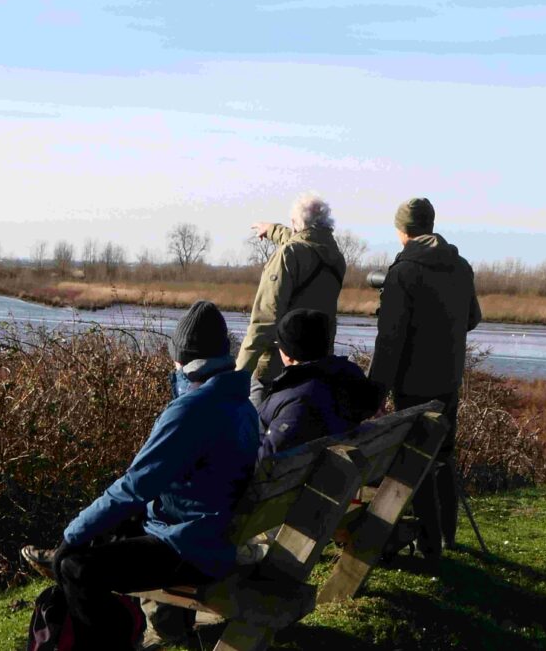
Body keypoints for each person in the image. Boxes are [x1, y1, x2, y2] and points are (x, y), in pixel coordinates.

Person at [41, 301, 260, 650]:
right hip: (211, 534)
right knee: (108, 532)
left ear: (181, 358)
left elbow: (136, 484)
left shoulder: (192, 410)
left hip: (187, 546)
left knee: (76, 567)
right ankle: (148, 628)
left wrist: (71, 535)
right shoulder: (240, 403)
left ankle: (113, 642)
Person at [368, 197, 482, 563]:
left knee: (414, 460)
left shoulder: (404, 273)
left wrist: (374, 392)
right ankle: (447, 535)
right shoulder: (460, 266)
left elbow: (390, 341)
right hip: (449, 378)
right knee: (443, 455)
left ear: (403, 230)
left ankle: (429, 545)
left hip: (412, 384)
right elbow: (473, 318)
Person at [237, 194, 347, 407]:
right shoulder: (334, 256)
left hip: (278, 368)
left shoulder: (288, 255)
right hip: (317, 368)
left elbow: (265, 320)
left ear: (297, 224)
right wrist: (272, 230)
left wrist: (237, 375)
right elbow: (305, 242)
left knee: (258, 431)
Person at [258, 309, 382, 459]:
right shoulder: (349, 379)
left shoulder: (299, 398)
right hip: (325, 475)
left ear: (288, 353)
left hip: (291, 479)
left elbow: (266, 458)